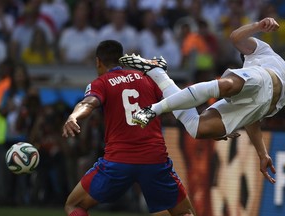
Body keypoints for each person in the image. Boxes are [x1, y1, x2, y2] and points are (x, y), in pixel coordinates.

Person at [119, 17, 284, 184]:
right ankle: (153, 109)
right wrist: (258, 26)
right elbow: (236, 37)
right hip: (263, 78)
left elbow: (253, 119)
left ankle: (156, 72)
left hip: (255, 106)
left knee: (197, 128)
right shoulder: (264, 54)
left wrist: (262, 154)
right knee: (226, 85)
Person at [62, 40, 196, 216]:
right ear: (121, 59)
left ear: (98, 62)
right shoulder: (148, 78)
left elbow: (89, 103)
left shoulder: (100, 83)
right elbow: (179, 99)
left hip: (118, 162)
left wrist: (74, 116)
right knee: (184, 213)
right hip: (154, 160)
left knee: (74, 205)